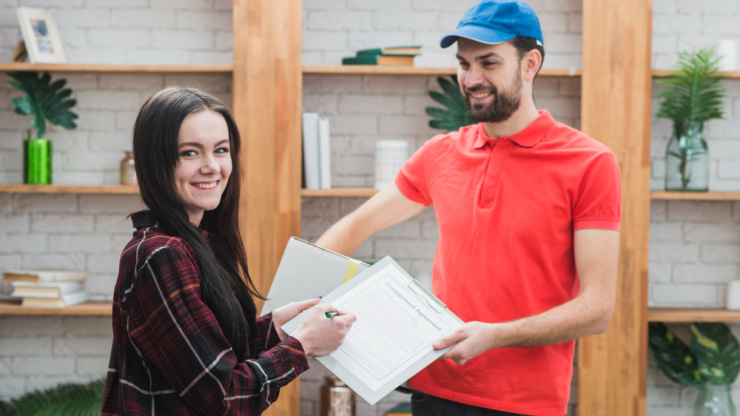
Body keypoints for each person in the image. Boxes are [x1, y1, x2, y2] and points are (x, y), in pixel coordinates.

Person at [315, 0, 621, 415]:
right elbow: (358, 224)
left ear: (530, 63)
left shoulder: (589, 162)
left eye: (489, 63)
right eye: (463, 64)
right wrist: (309, 292)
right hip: (433, 387)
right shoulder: (441, 153)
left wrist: (495, 335)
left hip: (523, 402)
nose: (472, 78)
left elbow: (597, 310)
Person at [102, 86, 356, 415]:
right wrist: (303, 344)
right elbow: (221, 398)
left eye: (221, 150)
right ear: (155, 162)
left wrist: (277, 328)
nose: (212, 167)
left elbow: (214, 361)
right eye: (190, 153)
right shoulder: (161, 255)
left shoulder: (197, 243)